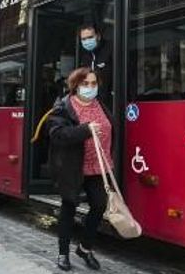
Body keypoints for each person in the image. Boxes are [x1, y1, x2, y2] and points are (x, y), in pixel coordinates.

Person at [47, 68, 114, 271]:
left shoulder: (100, 104)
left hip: (98, 167)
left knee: (99, 205)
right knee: (69, 207)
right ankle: (63, 253)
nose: (90, 88)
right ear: (75, 85)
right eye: (85, 84)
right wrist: (85, 130)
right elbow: (57, 134)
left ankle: (84, 248)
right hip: (73, 168)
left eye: (94, 84)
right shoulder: (64, 106)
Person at [77, 24, 113, 108]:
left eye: (90, 37)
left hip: (111, 104)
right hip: (90, 105)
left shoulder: (111, 49)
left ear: (98, 36)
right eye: (84, 39)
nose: (87, 41)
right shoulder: (85, 58)